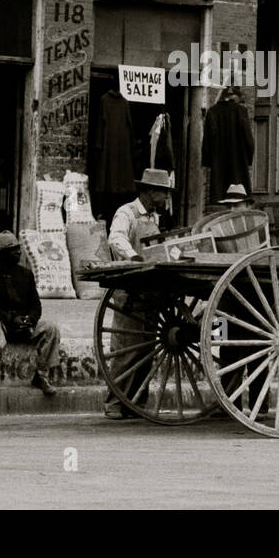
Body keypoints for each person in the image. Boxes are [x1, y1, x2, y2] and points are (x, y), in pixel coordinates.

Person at [104, 169, 175, 419]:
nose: (166, 197)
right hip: (130, 291)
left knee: (147, 350)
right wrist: (134, 258)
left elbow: (160, 248)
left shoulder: (156, 218)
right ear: (150, 192)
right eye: (163, 192)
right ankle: (114, 403)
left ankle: (136, 403)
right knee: (126, 351)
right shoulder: (127, 213)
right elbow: (116, 239)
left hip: (150, 293)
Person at [0, 231, 60, 398]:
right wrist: (9, 318)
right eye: (13, 249)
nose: (18, 252)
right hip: (2, 324)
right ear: (1, 254)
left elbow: (36, 304)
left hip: (23, 325)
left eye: (18, 249)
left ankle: (41, 375)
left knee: (51, 328)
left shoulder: (25, 274)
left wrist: (30, 319)